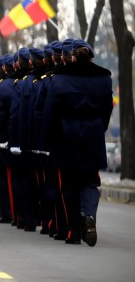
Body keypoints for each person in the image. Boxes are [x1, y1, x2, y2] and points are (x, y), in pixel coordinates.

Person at [41, 39, 112, 247]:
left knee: (69, 186)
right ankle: (89, 215)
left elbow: (50, 114)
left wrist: (48, 141)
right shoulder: (104, 78)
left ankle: (72, 231)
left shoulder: (60, 79)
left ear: (72, 57)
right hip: (93, 135)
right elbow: (107, 110)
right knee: (90, 181)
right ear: (91, 57)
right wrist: (99, 127)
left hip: (67, 137)